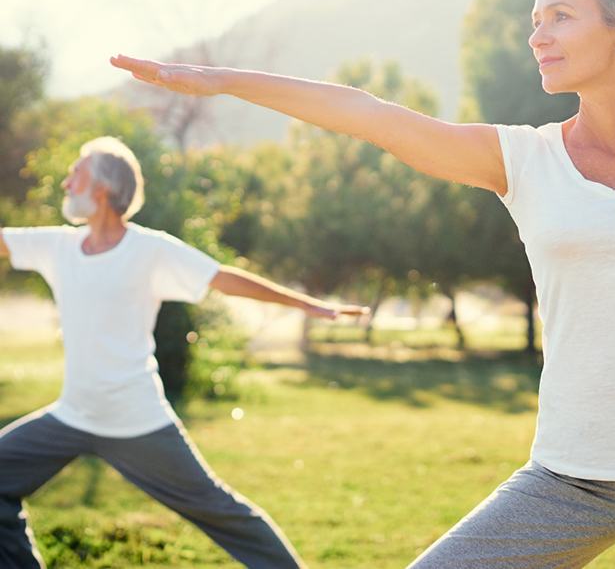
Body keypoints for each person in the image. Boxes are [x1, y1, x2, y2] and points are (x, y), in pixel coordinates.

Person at [111, 0, 615, 567]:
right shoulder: (524, 160)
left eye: (560, 16)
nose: (538, 36)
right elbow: (369, 114)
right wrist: (221, 81)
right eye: (535, 20)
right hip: (570, 478)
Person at [0, 136, 368, 569]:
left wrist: (308, 305)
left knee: (224, 514)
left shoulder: (149, 249)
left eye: (75, 172)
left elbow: (224, 278)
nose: (65, 183)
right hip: (72, 414)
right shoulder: (58, 246)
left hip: (137, 421)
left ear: (100, 189)